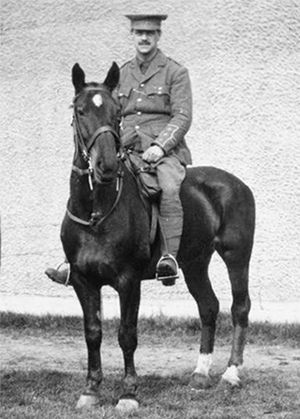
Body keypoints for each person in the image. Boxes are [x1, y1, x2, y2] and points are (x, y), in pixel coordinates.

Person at [45, 13, 192, 286]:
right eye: (139, 33)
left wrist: (160, 147)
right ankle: (76, 260)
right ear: (133, 36)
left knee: (169, 188)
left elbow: (182, 117)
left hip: (164, 154)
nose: (144, 38)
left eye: (150, 33)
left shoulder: (175, 72)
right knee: (91, 182)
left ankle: (168, 258)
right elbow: (109, 114)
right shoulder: (122, 74)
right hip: (128, 150)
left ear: (158, 36)